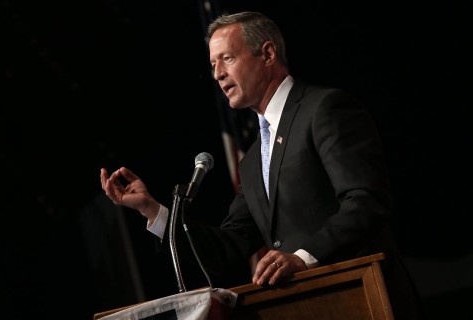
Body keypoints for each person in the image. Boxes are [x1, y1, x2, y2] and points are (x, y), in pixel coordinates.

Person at [101, 11, 425, 319]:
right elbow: (226, 250)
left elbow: (366, 202)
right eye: (213, 64)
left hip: (366, 298)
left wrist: (302, 258)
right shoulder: (254, 160)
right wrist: (152, 210)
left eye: (227, 58)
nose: (217, 74)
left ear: (267, 54)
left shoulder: (324, 109)